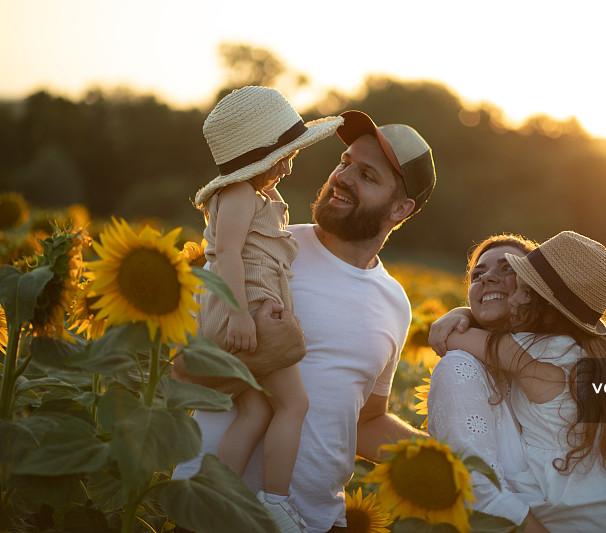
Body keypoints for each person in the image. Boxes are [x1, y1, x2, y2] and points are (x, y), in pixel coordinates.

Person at [172, 109, 435, 533]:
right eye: (346, 162)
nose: (344, 177)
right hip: (210, 516)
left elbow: (365, 422)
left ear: (400, 208)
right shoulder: (259, 249)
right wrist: (262, 352)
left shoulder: (394, 303)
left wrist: (442, 461)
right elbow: (181, 374)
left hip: (312, 521)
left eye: (368, 176)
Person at [177, 86, 344, 531]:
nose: (289, 165)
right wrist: (238, 314)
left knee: (256, 411)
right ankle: (276, 502)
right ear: (259, 156)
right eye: (284, 155)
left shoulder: (253, 197)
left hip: (245, 309)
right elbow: (227, 253)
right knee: (295, 404)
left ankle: (218, 497)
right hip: (247, 307)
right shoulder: (238, 195)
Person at [437, 230, 606, 532]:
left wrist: (457, 314)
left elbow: (454, 337)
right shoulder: (586, 352)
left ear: (548, 307)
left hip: (576, 517)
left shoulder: (536, 354)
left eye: (525, 291)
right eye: (478, 273)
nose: (516, 297)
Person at [427, 234, 549, 532]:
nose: (487, 278)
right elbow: (479, 489)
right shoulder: (460, 367)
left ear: (534, 287)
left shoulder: (557, 352)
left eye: (508, 268)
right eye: (477, 275)